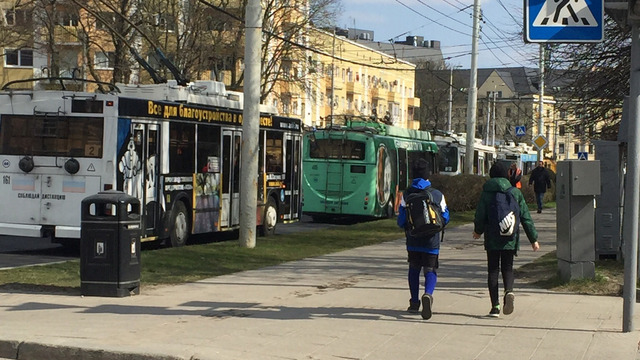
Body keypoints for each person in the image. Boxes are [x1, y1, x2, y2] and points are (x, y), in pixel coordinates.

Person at [473, 162, 539, 317]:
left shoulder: (487, 192)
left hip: (492, 238)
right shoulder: (515, 193)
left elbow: (480, 215)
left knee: (493, 270)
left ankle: (495, 307)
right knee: (508, 268)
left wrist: (478, 231)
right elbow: (525, 217)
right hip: (510, 237)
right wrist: (533, 239)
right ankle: (509, 291)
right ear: (507, 175)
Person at [397, 158, 450, 320]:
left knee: (413, 269)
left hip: (413, 240)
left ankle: (414, 302)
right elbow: (446, 217)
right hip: (431, 240)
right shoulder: (437, 194)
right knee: (430, 269)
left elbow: (401, 221)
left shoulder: (407, 194)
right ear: (428, 175)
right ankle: (428, 294)